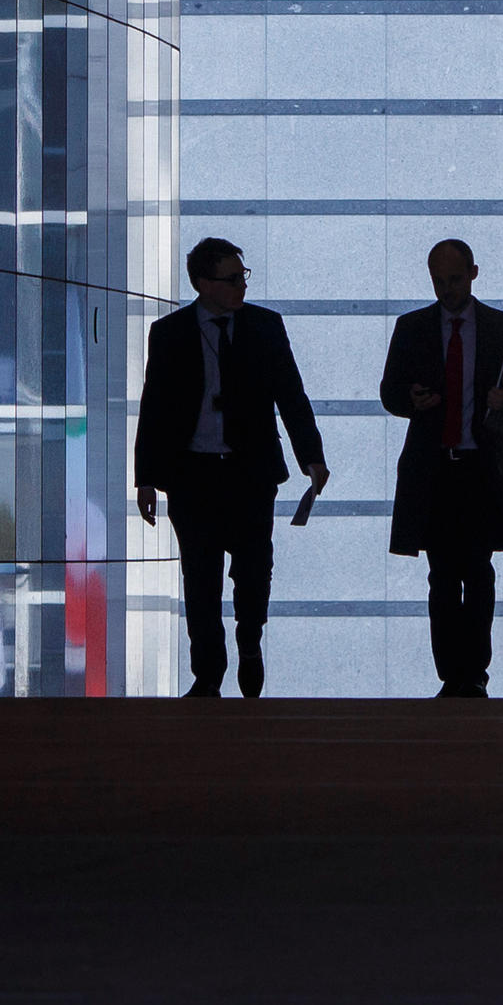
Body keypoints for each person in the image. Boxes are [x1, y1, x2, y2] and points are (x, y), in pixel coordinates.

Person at [134, 236, 329, 698]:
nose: (241, 285)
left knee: (254, 567)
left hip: (251, 471)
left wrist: (312, 457)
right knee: (199, 577)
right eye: (231, 278)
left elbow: (292, 397)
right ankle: (208, 671)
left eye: (243, 276)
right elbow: (154, 407)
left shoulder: (265, 326)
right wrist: (145, 477)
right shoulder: (170, 333)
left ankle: (250, 641)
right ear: (203, 283)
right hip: (192, 474)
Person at [381, 237, 503, 697]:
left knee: (477, 572)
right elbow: (390, 391)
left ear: (474, 273)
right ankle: (452, 674)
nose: (446, 288)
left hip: (479, 468)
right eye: (438, 280)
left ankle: (472, 673)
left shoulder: (502, 328)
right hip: (434, 469)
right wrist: (410, 400)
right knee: (441, 576)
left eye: (454, 279)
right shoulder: (412, 327)